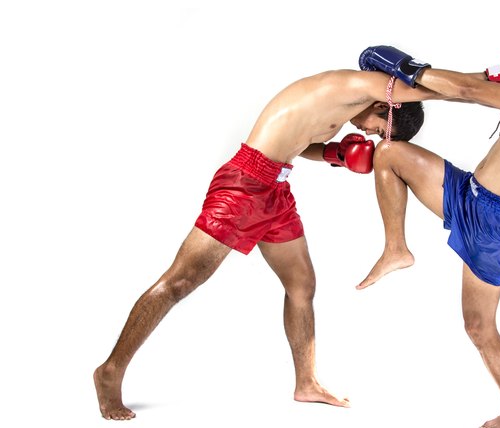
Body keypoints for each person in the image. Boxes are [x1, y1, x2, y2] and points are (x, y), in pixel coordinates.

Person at [93, 69, 441, 420]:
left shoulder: (338, 117)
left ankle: (306, 383)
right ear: (385, 106)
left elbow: (300, 144)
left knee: (302, 285)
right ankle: (110, 371)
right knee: (180, 282)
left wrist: (335, 154)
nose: (368, 133)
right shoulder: (343, 91)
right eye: (379, 129)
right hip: (243, 186)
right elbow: (434, 88)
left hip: (275, 191)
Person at [356, 14, 500, 428]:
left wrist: (411, 69)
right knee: (388, 153)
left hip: (494, 221)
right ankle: (396, 248)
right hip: (467, 192)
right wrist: (408, 87)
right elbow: (471, 84)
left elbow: (468, 90)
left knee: (479, 328)